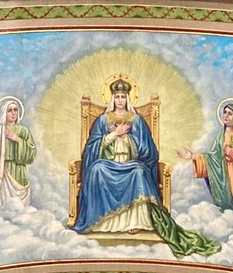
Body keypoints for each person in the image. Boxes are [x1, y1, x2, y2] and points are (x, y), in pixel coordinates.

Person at [73, 77, 220, 257]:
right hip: (107, 164)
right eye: (117, 96)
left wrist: (127, 138)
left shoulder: (136, 120)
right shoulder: (102, 120)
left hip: (130, 163)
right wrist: (113, 135)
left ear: (128, 98)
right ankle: (102, 222)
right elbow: (91, 149)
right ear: (112, 98)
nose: (120, 100)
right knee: (96, 170)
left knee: (139, 171)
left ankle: (135, 222)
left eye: (123, 96)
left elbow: (149, 150)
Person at [179, 100, 233, 220]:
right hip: (225, 178)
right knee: (230, 215)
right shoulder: (221, 135)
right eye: (225, 112)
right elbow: (214, 157)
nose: (226, 115)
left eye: (230, 113)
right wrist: (194, 156)